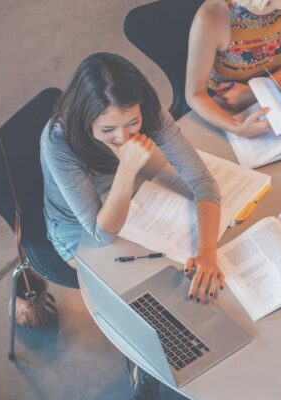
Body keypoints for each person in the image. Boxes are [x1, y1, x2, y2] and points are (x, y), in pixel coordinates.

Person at [41, 52, 224, 302]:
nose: (124, 137)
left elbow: (203, 182)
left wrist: (207, 253)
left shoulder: (147, 110)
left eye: (132, 123)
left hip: (136, 199)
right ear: (85, 121)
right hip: (77, 228)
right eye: (108, 129)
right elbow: (101, 233)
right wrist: (127, 168)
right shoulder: (57, 141)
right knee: (151, 292)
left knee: (183, 275)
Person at [186, 0, 281, 137]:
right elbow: (195, 95)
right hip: (228, 107)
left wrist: (254, 92)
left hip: (280, 89)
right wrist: (237, 129)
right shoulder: (212, 17)